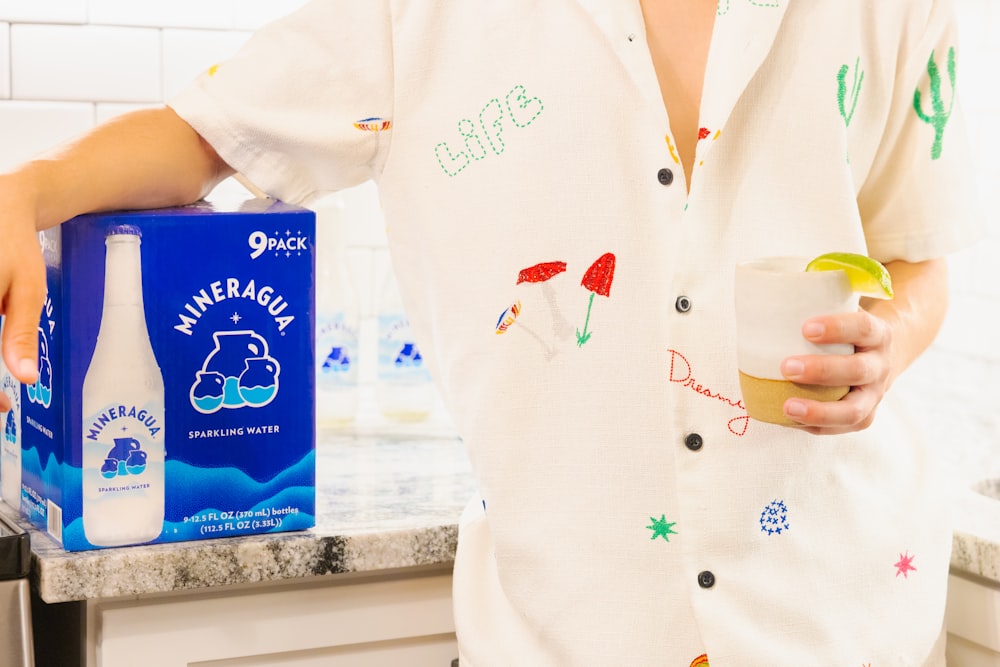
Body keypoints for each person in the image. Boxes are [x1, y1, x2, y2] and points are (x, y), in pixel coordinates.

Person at [0, 0, 983, 664]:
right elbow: (203, 137)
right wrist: (27, 190)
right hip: (568, 620)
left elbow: (912, 253)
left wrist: (891, 335)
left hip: (844, 604)